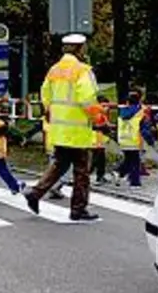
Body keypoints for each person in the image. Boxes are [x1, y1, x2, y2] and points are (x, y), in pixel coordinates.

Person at [23, 34, 101, 221]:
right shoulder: (83, 70)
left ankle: (35, 193)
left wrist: (50, 112)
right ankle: (78, 209)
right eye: (84, 47)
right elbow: (87, 99)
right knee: (82, 171)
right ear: (79, 48)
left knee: (59, 164)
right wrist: (98, 118)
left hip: (59, 129)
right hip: (78, 130)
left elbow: (45, 95)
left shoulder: (54, 70)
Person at [115, 90, 147, 187]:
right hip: (134, 139)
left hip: (123, 138)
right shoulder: (140, 112)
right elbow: (144, 127)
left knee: (129, 159)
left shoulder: (122, 111)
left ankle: (119, 172)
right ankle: (134, 182)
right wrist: (150, 141)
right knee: (135, 161)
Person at [88, 94, 113, 185]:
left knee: (97, 158)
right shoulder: (98, 113)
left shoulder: (94, 111)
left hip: (96, 137)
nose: (107, 108)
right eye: (105, 106)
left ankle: (97, 175)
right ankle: (96, 176)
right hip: (97, 138)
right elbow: (98, 125)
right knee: (98, 158)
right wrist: (107, 127)